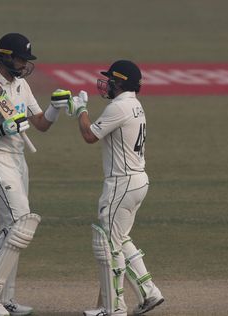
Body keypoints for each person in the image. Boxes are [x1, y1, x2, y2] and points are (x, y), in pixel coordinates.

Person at [0, 33, 71, 316]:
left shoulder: (21, 85)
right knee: (22, 222)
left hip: (19, 160)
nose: (25, 65)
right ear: (6, 57)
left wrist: (55, 108)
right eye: (21, 59)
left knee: (8, 228)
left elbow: (40, 124)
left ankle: (5, 297)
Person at [67, 60, 165, 315]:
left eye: (111, 80)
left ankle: (114, 307)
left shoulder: (119, 107)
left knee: (108, 244)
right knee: (119, 240)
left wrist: (80, 110)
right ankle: (149, 292)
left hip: (122, 183)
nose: (107, 84)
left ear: (120, 82)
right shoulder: (135, 105)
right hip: (137, 181)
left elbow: (90, 136)